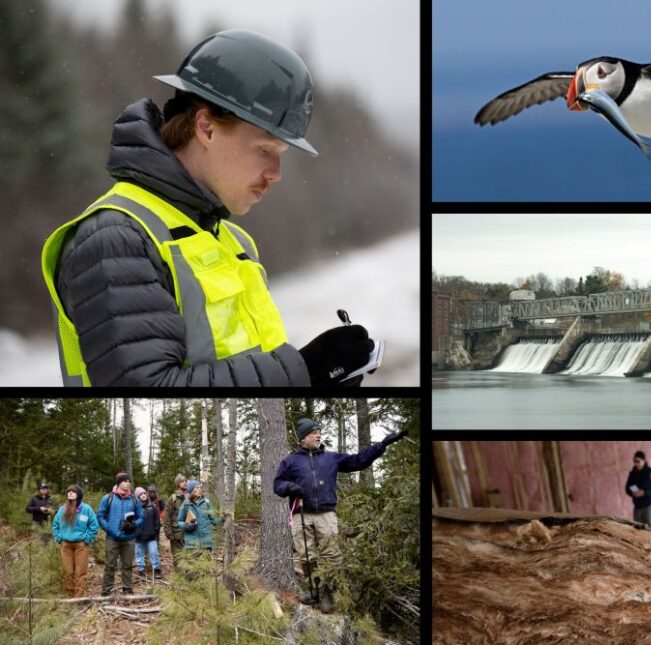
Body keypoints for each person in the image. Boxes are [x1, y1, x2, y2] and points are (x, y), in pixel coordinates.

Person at [40, 29, 374, 387]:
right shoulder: (116, 238)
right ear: (206, 128)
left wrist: (322, 380)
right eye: (265, 149)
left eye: (282, 156)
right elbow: (146, 390)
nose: (276, 174)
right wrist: (304, 371)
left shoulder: (233, 242)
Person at [273, 417, 408, 612]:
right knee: (306, 555)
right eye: (313, 432)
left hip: (326, 515)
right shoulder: (290, 461)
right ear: (303, 438)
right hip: (300, 514)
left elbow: (359, 460)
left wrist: (382, 445)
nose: (318, 435)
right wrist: (290, 486)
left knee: (331, 555)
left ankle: (329, 593)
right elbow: (277, 485)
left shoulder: (331, 458)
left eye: (319, 431)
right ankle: (313, 591)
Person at [97, 473, 145, 595]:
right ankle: (106, 591)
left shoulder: (134, 500)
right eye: (124, 481)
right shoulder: (108, 498)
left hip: (129, 538)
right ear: (119, 483)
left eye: (129, 481)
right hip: (112, 538)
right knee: (110, 565)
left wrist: (133, 525)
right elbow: (100, 516)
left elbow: (141, 517)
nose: (128, 483)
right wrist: (110, 529)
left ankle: (127, 589)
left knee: (127, 565)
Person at [52, 484, 98, 597]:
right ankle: (70, 596)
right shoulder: (63, 509)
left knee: (80, 572)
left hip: (81, 545)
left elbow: (94, 525)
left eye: (73, 491)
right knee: (68, 572)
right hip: (66, 545)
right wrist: (59, 539)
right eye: (68, 492)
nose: (70, 493)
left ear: (79, 494)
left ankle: (78, 598)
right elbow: (55, 525)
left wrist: (87, 540)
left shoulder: (86, 509)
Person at [177, 480, 221, 567]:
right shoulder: (186, 504)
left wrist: (223, 517)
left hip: (206, 543)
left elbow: (214, 520)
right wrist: (186, 525)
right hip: (192, 543)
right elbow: (179, 521)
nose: (200, 489)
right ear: (191, 490)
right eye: (197, 488)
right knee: (192, 570)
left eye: (201, 488)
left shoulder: (207, 503)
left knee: (205, 569)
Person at [625, 451, 651, 528]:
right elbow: (627, 489)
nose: (636, 463)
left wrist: (644, 492)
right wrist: (633, 493)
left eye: (638, 461)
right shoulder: (632, 473)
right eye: (634, 461)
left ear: (644, 461)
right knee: (637, 531)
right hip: (637, 507)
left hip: (649, 506)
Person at [134, 487, 163, 579]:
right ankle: (141, 571)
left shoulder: (152, 507)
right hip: (139, 537)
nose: (143, 495)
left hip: (151, 536)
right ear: (137, 497)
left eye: (144, 493)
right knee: (139, 554)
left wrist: (155, 530)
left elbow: (157, 521)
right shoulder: (135, 509)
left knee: (154, 553)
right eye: (140, 494)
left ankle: (157, 570)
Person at [165, 475, 188, 573]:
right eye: (182, 481)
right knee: (178, 557)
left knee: (190, 556)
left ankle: (189, 578)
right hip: (176, 533)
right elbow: (166, 517)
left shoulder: (191, 497)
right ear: (178, 484)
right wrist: (168, 532)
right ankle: (180, 578)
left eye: (186, 481)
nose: (185, 483)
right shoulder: (173, 498)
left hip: (190, 532)